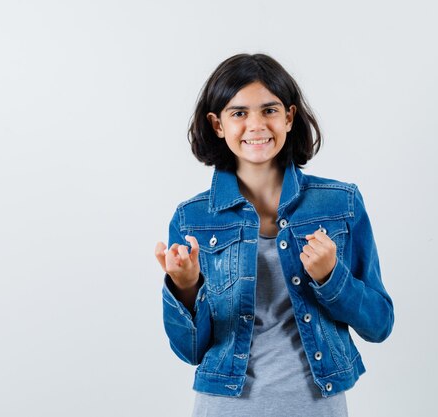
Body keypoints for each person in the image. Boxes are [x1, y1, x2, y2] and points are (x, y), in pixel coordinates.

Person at [154, 53, 394, 417]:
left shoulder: (340, 203)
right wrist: (186, 287)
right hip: (224, 407)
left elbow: (379, 324)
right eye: (239, 113)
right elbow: (190, 350)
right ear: (217, 124)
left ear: (289, 117)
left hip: (317, 407)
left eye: (269, 110)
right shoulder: (192, 219)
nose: (256, 125)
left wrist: (331, 278)